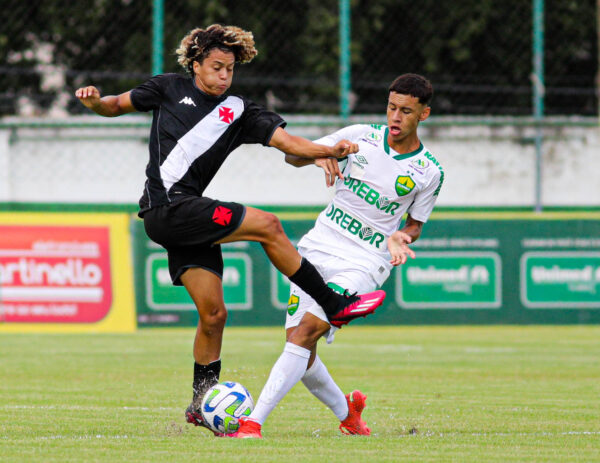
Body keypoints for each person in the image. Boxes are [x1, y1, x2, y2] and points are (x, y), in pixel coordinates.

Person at [74, 24, 385, 435]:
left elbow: (290, 143)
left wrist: (330, 150)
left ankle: (201, 403)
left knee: (214, 314)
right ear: (196, 64)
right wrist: (95, 102)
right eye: (216, 67)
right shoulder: (167, 88)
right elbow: (114, 105)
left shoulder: (240, 110)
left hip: (183, 220)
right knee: (269, 225)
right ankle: (332, 303)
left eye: (230, 70)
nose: (224, 76)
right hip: (168, 206)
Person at [233, 73, 443, 438]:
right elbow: (292, 157)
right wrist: (322, 155)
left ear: (423, 114)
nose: (396, 117)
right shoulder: (361, 135)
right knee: (302, 348)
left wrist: (400, 237)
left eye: (406, 111)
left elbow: (415, 226)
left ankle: (253, 423)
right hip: (318, 247)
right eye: (392, 107)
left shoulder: (429, 172)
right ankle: (349, 414)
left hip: (365, 260)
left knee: (305, 334)